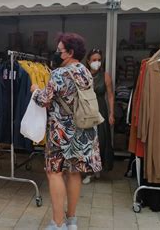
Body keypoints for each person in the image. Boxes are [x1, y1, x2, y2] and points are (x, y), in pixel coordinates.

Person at [32, 33, 102, 230]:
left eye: (59, 50)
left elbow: (44, 100)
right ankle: (71, 221)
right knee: (74, 173)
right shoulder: (86, 71)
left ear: (70, 53)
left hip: (61, 132)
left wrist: (35, 90)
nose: (56, 53)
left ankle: (57, 223)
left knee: (54, 172)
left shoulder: (59, 74)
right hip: (83, 129)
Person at [83, 49, 115, 184]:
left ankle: (98, 168)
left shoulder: (106, 76)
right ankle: (88, 171)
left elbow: (110, 95)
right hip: (87, 110)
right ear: (88, 61)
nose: (97, 62)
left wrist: (111, 113)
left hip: (101, 110)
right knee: (88, 142)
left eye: (99, 60)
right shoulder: (83, 75)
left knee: (101, 141)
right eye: (94, 60)